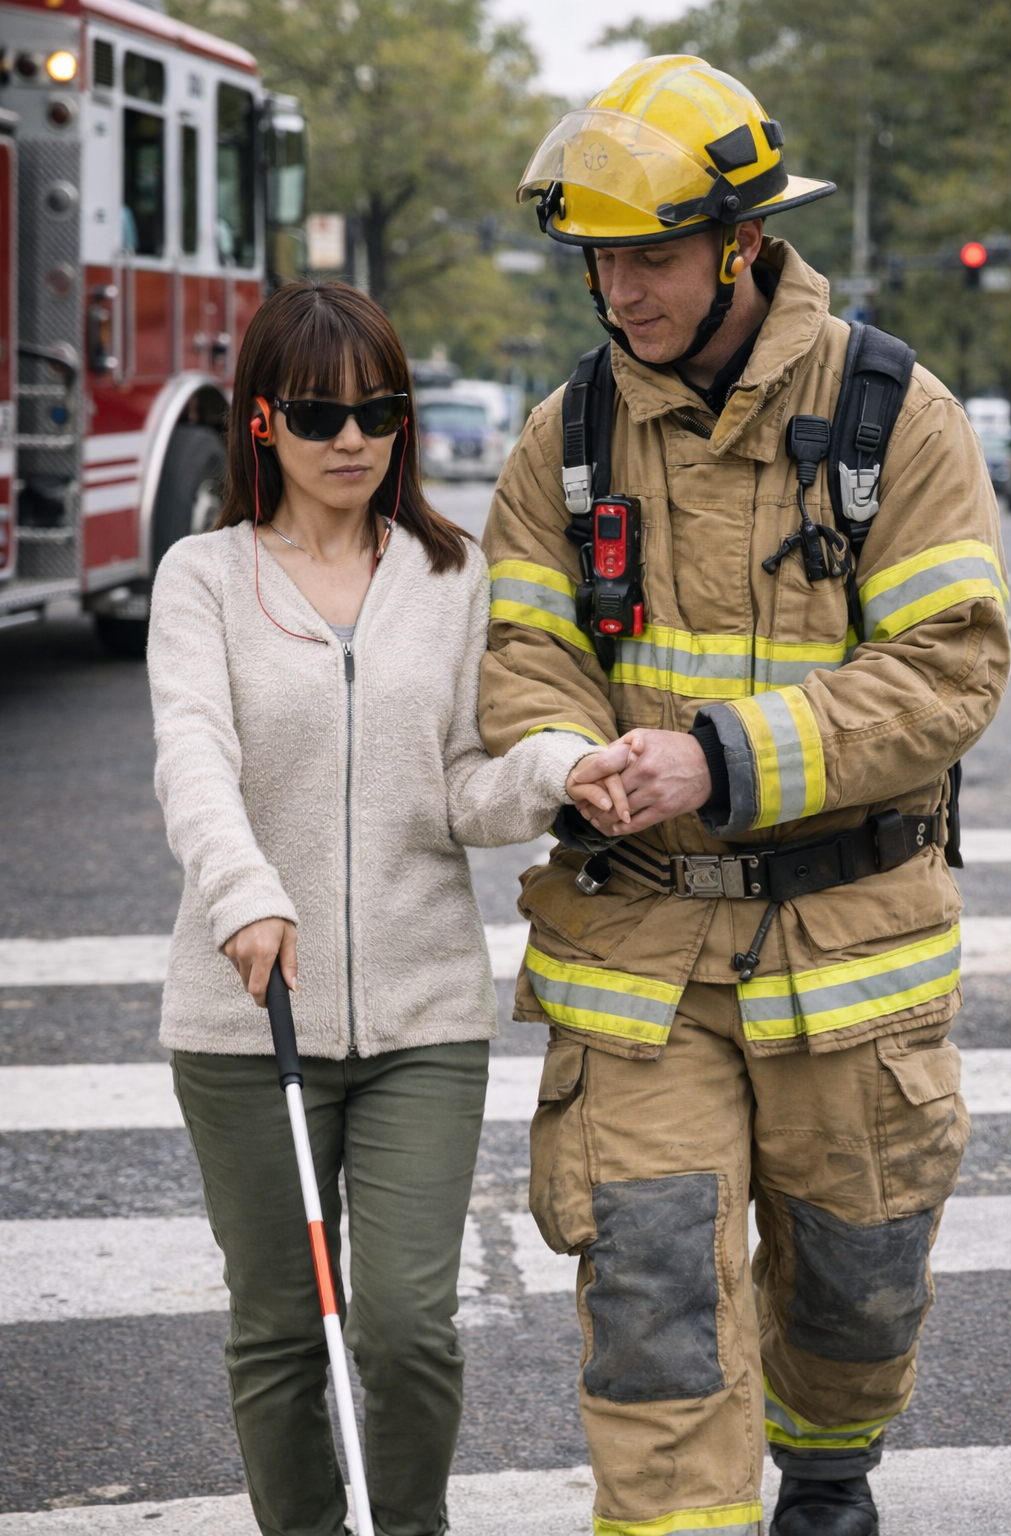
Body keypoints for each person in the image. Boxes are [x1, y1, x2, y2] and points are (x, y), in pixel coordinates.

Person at [480, 56, 1010, 1536]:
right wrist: (569, 755)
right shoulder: (565, 439)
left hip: (852, 954)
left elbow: (952, 666)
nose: (618, 291)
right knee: (651, 1291)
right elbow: (524, 653)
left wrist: (720, 757)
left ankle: (827, 1484)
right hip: (639, 952)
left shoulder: (897, 416)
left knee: (856, 1281)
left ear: (741, 243)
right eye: (597, 260)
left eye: (648, 257)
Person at [146, 280, 627, 1536]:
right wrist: (246, 893)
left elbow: (465, 784)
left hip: (423, 1018)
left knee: (409, 1328)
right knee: (279, 1328)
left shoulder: (451, 575)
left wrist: (559, 770)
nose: (352, 438)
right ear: (262, 422)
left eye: (378, 410)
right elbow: (192, 756)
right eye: (319, 413)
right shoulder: (203, 578)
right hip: (248, 1018)